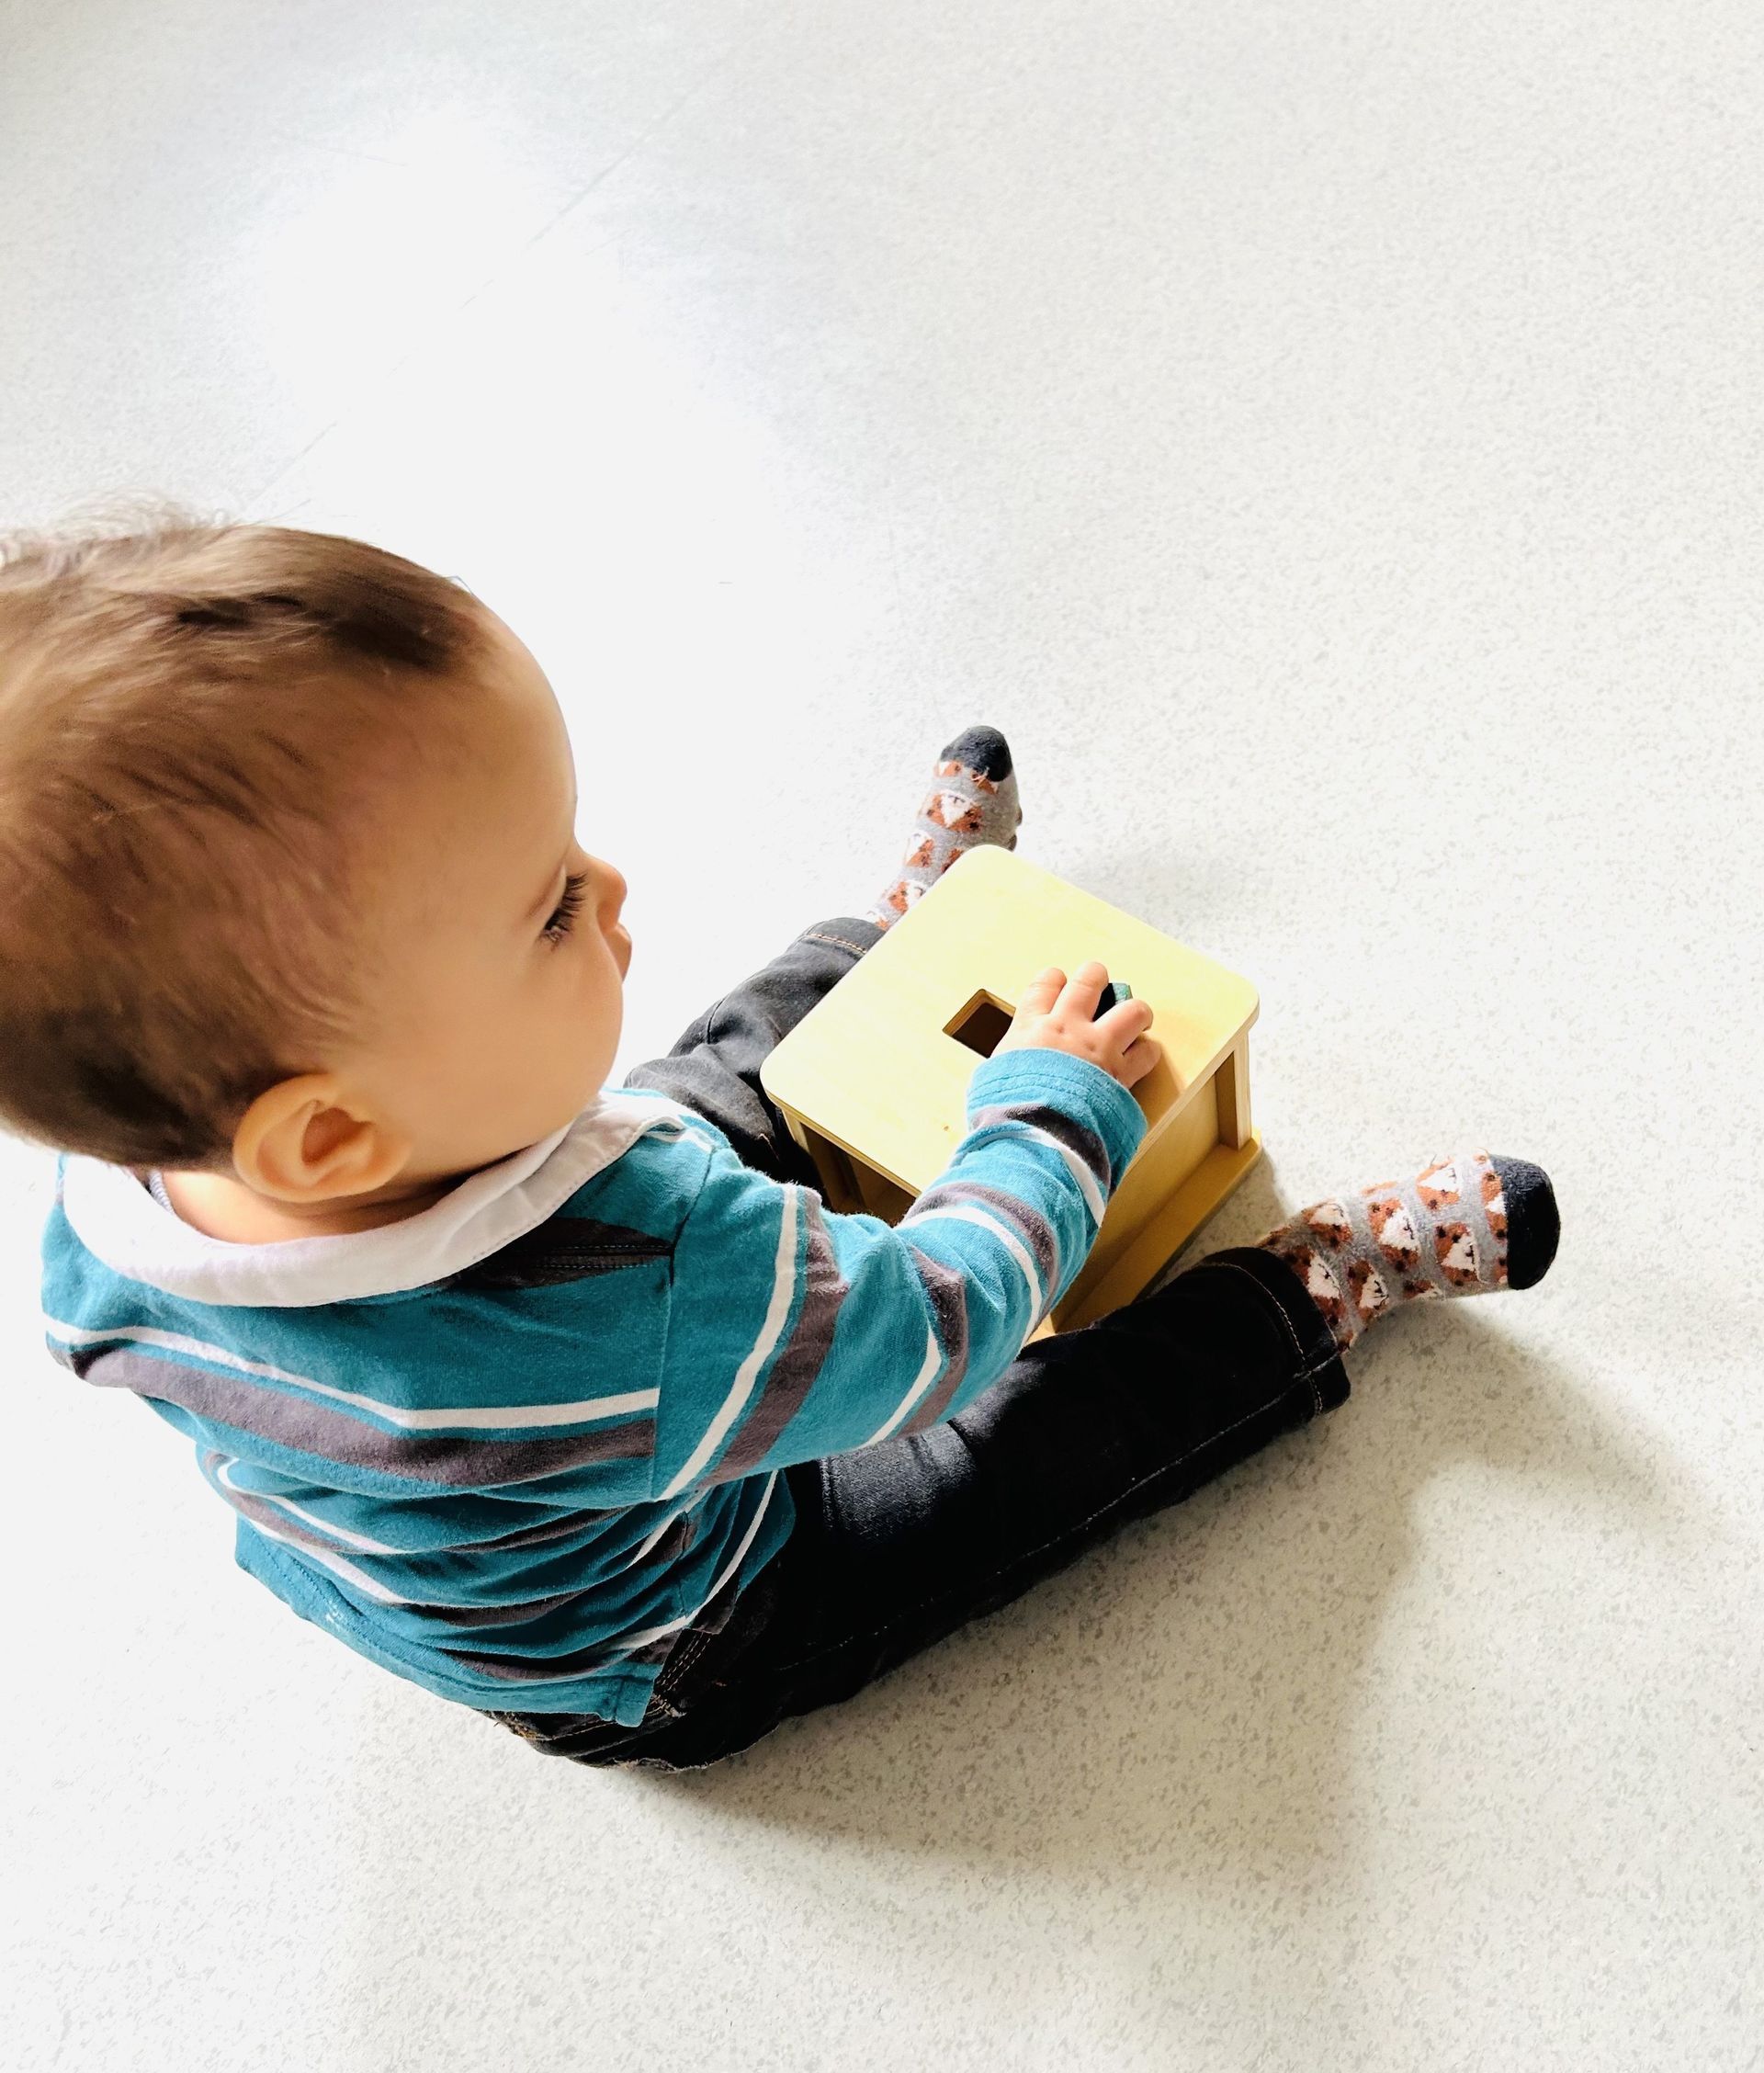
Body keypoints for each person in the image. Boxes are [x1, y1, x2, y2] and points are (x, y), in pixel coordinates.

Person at [6, 519, 1559, 1771]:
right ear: (336, 1131)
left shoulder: (112, 1200)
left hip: (492, 1512)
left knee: (718, 1067)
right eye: (547, 905)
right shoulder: (653, 1273)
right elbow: (943, 1318)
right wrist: (1051, 1109)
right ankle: (1312, 1295)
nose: (609, 887)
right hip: (681, 1640)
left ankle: (909, 944)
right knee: (1019, 1455)